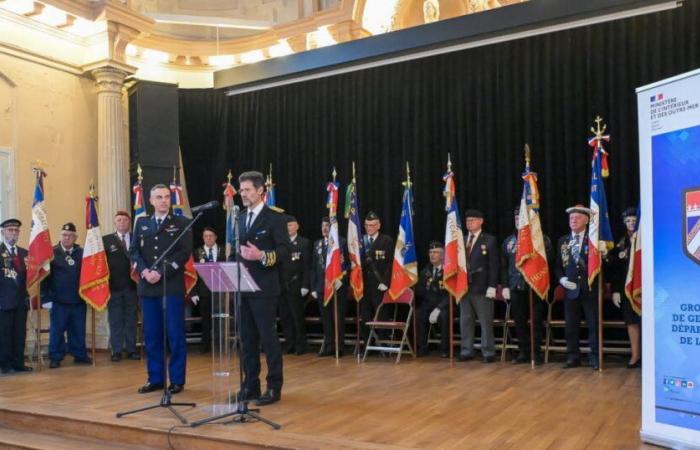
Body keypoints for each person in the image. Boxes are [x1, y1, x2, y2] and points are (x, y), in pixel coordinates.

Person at [130, 184, 192, 394]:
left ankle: (176, 379)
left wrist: (161, 272)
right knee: (152, 335)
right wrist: (144, 270)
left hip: (170, 286)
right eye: (159, 197)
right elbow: (134, 251)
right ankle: (155, 378)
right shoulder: (142, 223)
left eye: (167, 197)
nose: (164, 200)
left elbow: (184, 253)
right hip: (148, 288)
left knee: (174, 335)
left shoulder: (181, 222)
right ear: (151, 200)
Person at [235, 171, 288, 406]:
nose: (243, 194)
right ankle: (251, 385)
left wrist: (262, 255)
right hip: (242, 287)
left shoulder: (275, 218)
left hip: (265, 289)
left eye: (247, 190)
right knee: (247, 340)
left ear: (260, 191)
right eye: (241, 190)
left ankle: (274, 386)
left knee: (268, 339)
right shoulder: (240, 217)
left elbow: (285, 251)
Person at [500, 208, 551, 364]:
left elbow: (547, 262)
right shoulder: (509, 242)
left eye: (521, 218)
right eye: (516, 218)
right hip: (516, 287)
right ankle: (523, 351)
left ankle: (536, 352)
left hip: (535, 286)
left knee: (536, 320)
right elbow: (504, 266)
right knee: (519, 321)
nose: (518, 221)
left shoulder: (541, 239)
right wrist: (505, 286)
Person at [554, 204, 600, 370]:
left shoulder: (594, 240)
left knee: (593, 325)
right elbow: (558, 266)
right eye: (571, 218)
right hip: (570, 289)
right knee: (571, 325)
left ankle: (595, 358)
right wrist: (562, 279)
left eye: (577, 217)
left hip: (590, 289)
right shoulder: (563, 241)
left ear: (586, 220)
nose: (573, 220)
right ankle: (573, 357)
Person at [41, 222, 92, 368]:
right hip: (58, 300)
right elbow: (44, 277)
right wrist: (46, 298)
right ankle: (56, 357)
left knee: (78, 330)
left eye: (70, 235)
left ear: (75, 237)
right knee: (57, 331)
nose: (67, 238)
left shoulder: (83, 253)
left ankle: (80, 355)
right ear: (60, 236)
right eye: (64, 235)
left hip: (78, 299)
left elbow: (88, 275)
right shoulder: (51, 253)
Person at [459, 209, 499, 363]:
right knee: (466, 320)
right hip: (464, 287)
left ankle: (488, 352)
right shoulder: (461, 240)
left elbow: (494, 265)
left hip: (482, 286)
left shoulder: (489, 240)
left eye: (473, 220)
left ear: (481, 221)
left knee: (485, 321)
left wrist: (492, 285)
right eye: (468, 221)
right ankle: (466, 350)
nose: (470, 223)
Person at [103, 210, 139, 362]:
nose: (122, 223)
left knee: (131, 319)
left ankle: (131, 349)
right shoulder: (106, 240)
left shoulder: (136, 238)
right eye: (119, 220)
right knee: (115, 320)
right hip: (114, 287)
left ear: (129, 222)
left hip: (133, 286)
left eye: (125, 220)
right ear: (115, 223)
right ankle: (116, 350)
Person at [310, 217, 349, 357]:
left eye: (327, 226)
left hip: (337, 286)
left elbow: (347, 264)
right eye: (323, 226)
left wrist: (342, 279)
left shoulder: (341, 242)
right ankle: (329, 346)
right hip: (322, 287)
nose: (325, 228)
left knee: (338, 318)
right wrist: (314, 287)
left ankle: (340, 347)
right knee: (325, 319)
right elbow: (313, 267)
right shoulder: (317, 244)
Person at [609, 207, 641, 368]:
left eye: (634, 221)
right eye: (628, 221)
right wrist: (615, 290)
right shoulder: (620, 243)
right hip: (627, 290)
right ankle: (635, 355)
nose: (631, 223)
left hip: (646, 288)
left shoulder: (645, 239)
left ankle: (650, 355)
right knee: (631, 321)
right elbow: (615, 269)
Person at [0, 218, 32, 374]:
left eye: (16, 230)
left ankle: (18, 362)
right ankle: (5, 364)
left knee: (20, 333)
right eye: (10, 230)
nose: (13, 233)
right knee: (5, 334)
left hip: (20, 301)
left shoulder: (24, 253)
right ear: (3, 233)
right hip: (4, 300)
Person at [278, 215, 311, 355]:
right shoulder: (280, 244)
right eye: (286, 226)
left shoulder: (304, 243)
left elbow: (307, 266)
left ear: (297, 226)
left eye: (291, 225)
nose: (288, 228)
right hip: (282, 286)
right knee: (285, 317)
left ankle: (300, 345)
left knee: (297, 317)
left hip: (296, 285)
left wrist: (305, 285)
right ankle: (289, 344)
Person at [191, 227, 225, 353]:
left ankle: (219, 344)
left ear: (216, 237)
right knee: (205, 319)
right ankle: (205, 345)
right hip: (203, 291)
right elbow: (192, 273)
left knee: (220, 319)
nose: (208, 238)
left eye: (211, 235)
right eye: (206, 236)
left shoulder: (224, 250)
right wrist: (193, 292)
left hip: (220, 290)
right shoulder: (196, 252)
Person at [361, 211, 393, 343]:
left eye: (373, 225)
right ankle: (367, 343)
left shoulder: (386, 240)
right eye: (367, 225)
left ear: (379, 225)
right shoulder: (360, 241)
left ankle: (384, 342)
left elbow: (390, 263)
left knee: (382, 315)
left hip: (379, 284)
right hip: (364, 285)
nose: (370, 228)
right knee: (365, 316)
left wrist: (385, 281)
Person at [415, 241, 450, 358]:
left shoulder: (449, 271)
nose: (432, 255)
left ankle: (445, 349)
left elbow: (451, 294)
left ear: (442, 255)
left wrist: (439, 308)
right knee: (419, 314)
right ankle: (422, 348)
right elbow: (420, 292)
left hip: (445, 305)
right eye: (430, 252)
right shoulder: (425, 271)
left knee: (444, 316)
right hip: (428, 304)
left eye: (435, 252)